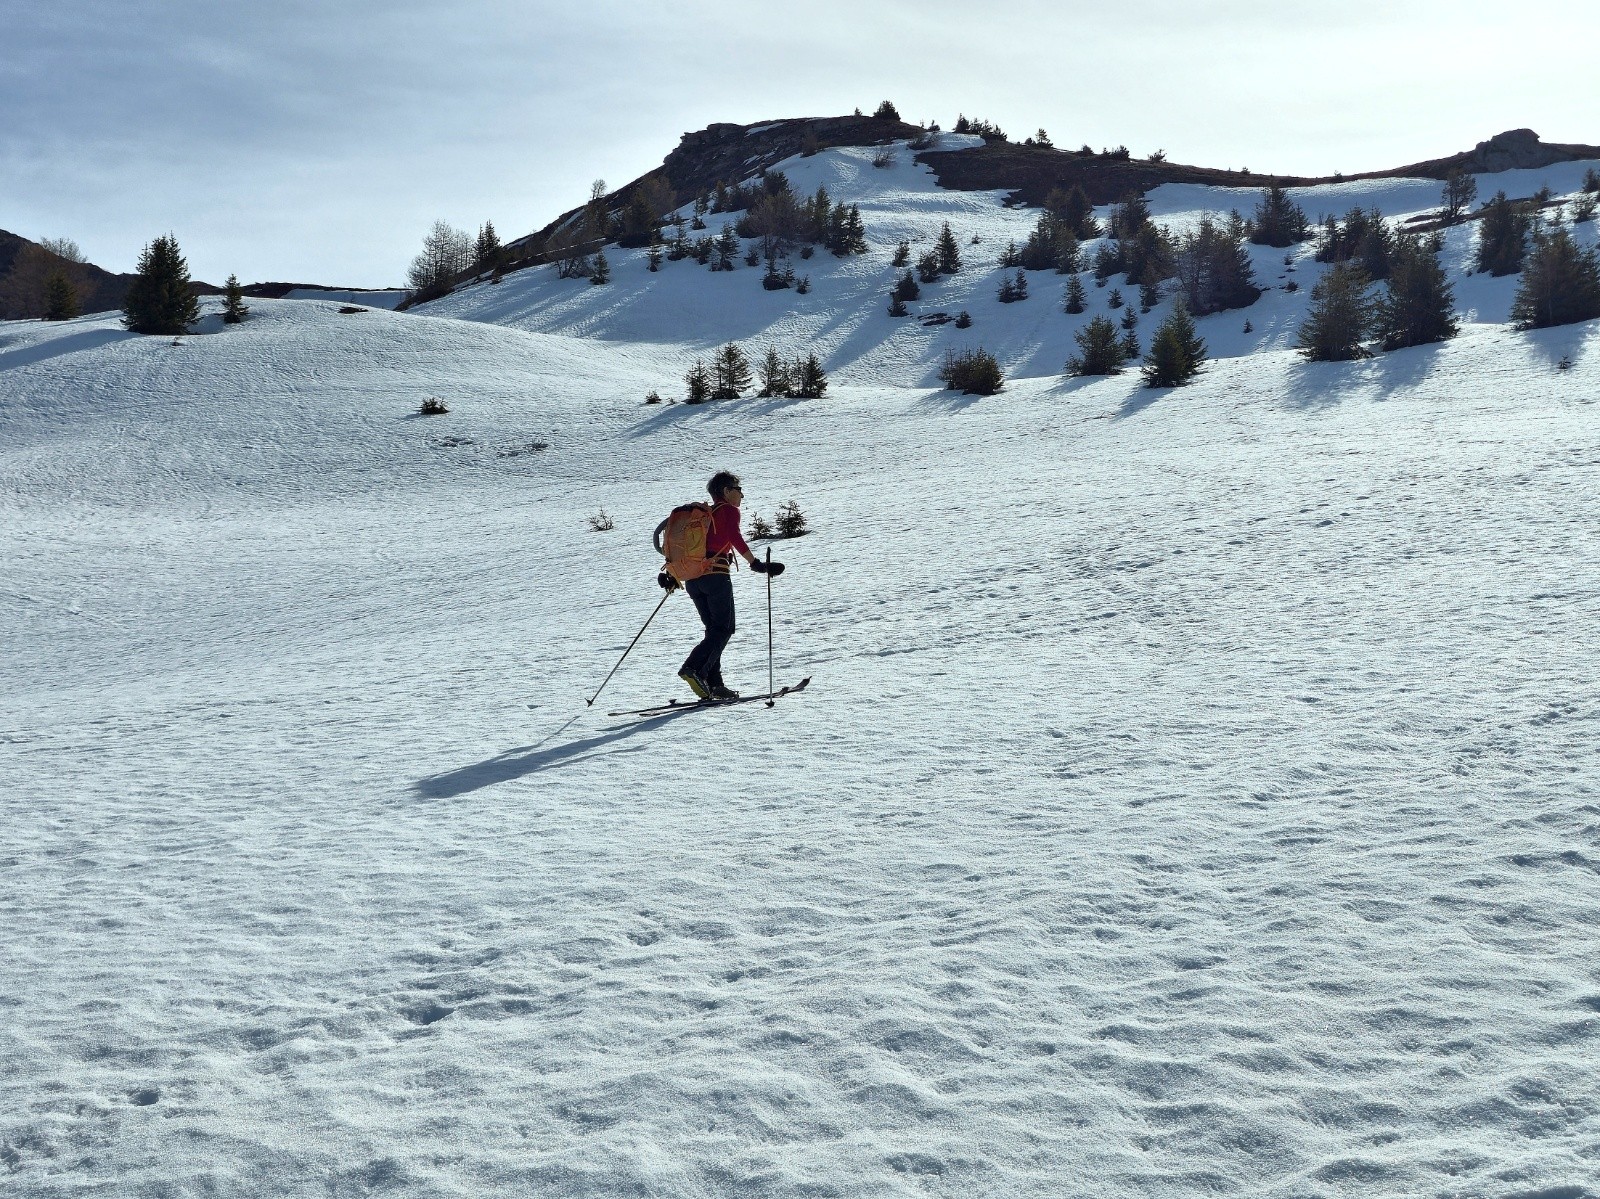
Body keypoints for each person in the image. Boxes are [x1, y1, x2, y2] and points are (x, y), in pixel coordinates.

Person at [659, 470, 785, 700]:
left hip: (694, 581)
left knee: (714, 631)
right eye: (738, 490)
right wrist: (755, 563)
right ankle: (694, 668)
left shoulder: (702, 517)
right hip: (715, 576)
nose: (742, 496)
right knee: (724, 629)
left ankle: (714, 683)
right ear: (726, 491)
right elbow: (734, 536)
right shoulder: (727, 510)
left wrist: (672, 574)